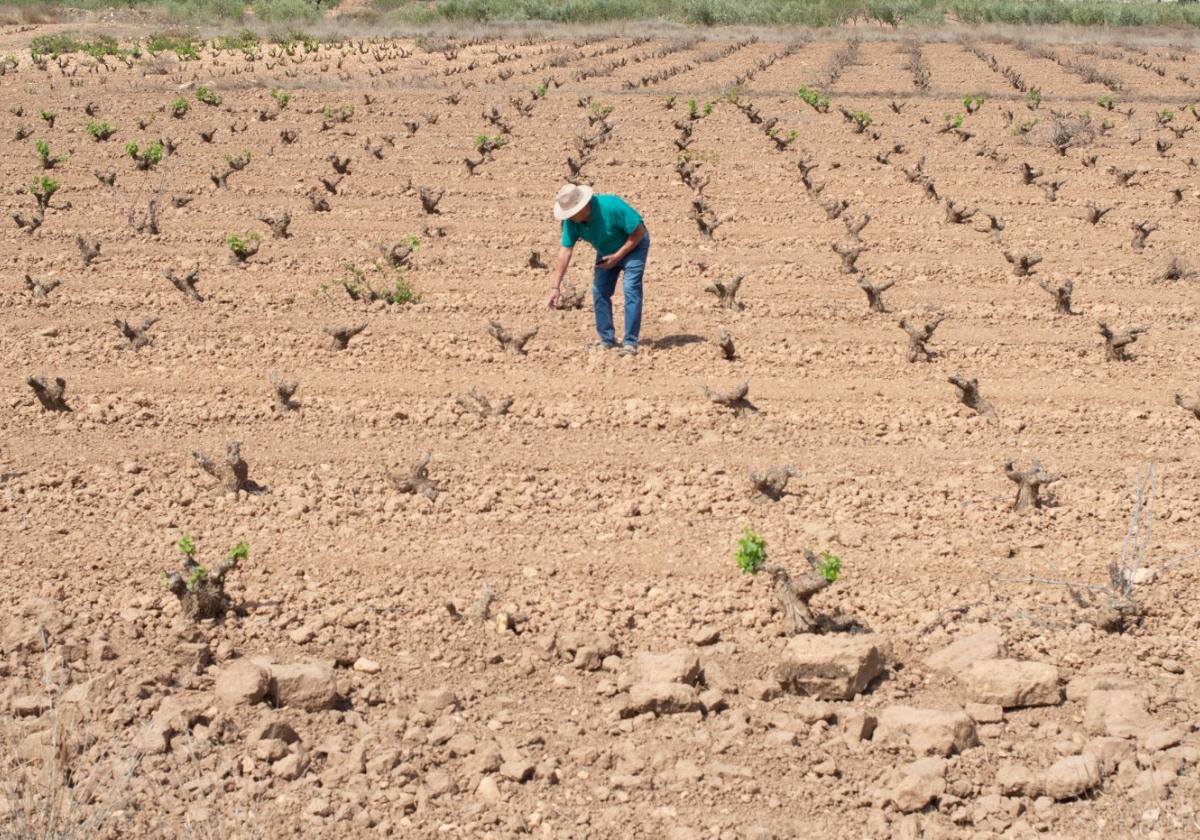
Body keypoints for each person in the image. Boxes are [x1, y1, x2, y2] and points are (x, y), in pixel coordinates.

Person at [545, 183, 649, 356]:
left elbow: (639, 232)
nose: (569, 217)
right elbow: (565, 251)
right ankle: (606, 339)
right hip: (606, 250)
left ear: (584, 207)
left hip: (634, 245)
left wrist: (617, 256)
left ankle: (630, 342)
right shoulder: (571, 222)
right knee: (599, 290)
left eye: (571, 213)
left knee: (631, 288)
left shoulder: (611, 206)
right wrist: (555, 287)